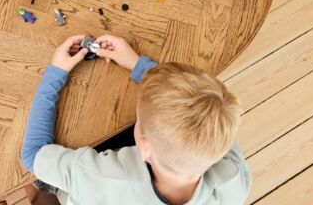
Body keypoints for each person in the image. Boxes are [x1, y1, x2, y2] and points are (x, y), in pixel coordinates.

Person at [21, 34, 251, 205]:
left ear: (144, 146)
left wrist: (55, 73)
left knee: (38, 184)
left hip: (90, 193)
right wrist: (137, 65)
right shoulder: (233, 178)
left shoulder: (100, 176)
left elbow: (32, 154)